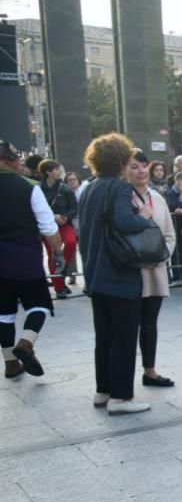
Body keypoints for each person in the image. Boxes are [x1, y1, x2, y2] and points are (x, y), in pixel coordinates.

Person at [77, 133, 159, 414]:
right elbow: (125, 221)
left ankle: (103, 390)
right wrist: (144, 218)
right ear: (121, 161)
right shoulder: (120, 189)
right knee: (124, 338)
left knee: (104, 338)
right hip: (119, 275)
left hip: (95, 275)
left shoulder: (89, 188)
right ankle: (121, 398)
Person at [0, 141, 64, 380]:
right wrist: (58, 251)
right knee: (39, 305)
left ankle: (10, 363)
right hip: (25, 256)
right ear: (7, 159)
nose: (20, 162)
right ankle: (26, 343)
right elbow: (48, 225)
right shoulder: (29, 186)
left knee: (3, 313)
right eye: (16, 157)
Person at [126, 149, 176, 388]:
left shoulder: (157, 198)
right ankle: (123, 377)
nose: (141, 171)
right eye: (134, 166)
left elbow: (169, 234)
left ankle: (150, 370)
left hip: (155, 270)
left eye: (143, 165)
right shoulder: (122, 198)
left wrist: (162, 256)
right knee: (128, 325)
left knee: (149, 323)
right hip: (131, 271)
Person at [38, 160, 78, 300]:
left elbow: (74, 207)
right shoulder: (38, 189)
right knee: (53, 255)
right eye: (56, 169)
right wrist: (52, 217)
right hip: (48, 226)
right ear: (48, 172)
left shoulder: (65, 188)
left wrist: (66, 217)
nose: (59, 171)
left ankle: (64, 268)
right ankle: (59, 287)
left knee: (71, 242)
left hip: (64, 224)